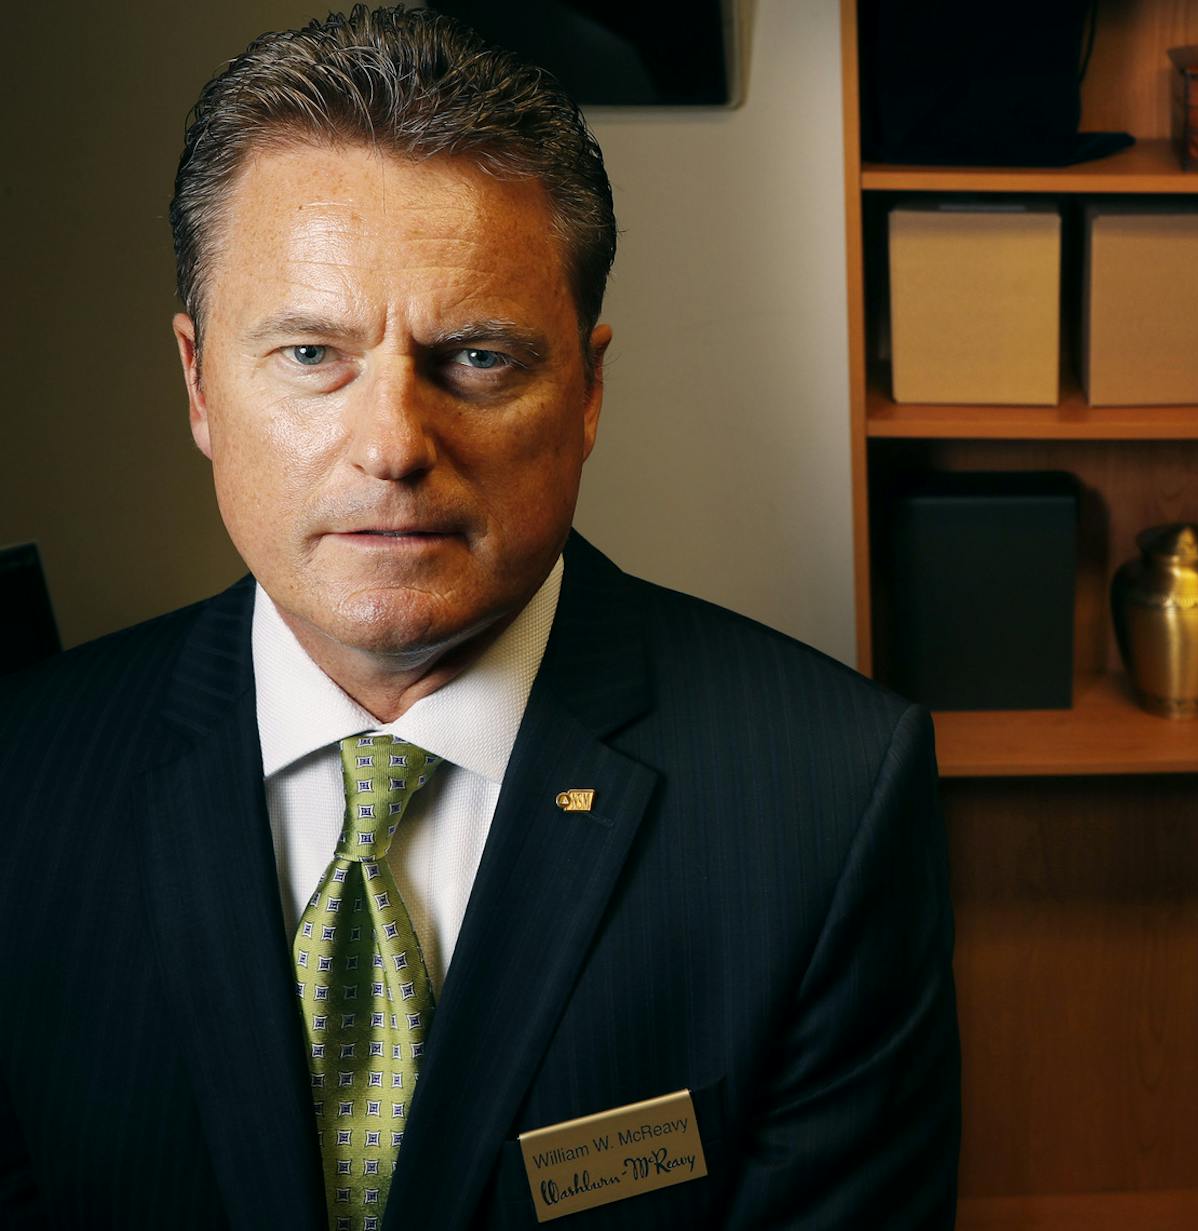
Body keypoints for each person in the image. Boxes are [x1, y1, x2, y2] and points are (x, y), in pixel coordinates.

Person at [0, 7, 959, 1227]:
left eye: (477, 359)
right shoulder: (19, 784)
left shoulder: (829, 803)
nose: (394, 445)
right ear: (198, 382)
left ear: (590, 390)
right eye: (310, 354)